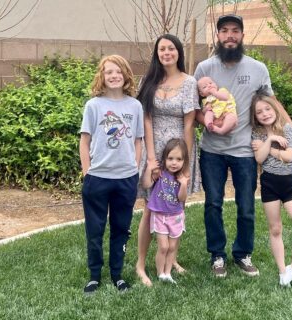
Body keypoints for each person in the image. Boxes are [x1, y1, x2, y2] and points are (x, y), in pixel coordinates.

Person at [194, 14, 292, 278]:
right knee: (213, 203)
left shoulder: (258, 68)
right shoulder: (203, 68)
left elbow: (273, 104)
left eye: (235, 31)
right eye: (224, 31)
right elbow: (195, 109)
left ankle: (243, 254)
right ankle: (217, 255)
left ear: (242, 35)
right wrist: (209, 122)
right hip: (212, 151)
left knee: (246, 204)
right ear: (217, 36)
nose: (230, 35)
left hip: (245, 150)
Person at [136, 34, 201, 286]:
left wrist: (184, 162)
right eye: (161, 49)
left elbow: (189, 124)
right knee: (149, 209)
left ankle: (171, 258)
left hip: (178, 153)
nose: (166, 53)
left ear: (178, 52)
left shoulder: (189, 82)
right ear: (157, 53)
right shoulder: (149, 80)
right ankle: (140, 265)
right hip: (154, 151)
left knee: (176, 207)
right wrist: (151, 158)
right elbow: (147, 119)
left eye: (171, 48)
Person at [79, 55, 144, 294]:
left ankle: (117, 274)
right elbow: (84, 142)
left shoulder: (135, 106)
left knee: (120, 229)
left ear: (126, 75)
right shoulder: (93, 105)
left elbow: (138, 141)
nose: (114, 76)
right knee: (95, 230)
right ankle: (95, 275)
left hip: (126, 179)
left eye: (118, 71)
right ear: (102, 76)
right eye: (109, 72)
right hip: (97, 178)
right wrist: (87, 173)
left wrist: (134, 169)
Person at [250, 94, 292, 287]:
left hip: (289, 185)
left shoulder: (286, 128)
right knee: (275, 228)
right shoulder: (257, 133)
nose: (264, 114)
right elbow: (259, 159)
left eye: (267, 109)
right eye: (259, 112)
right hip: (269, 184)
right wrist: (269, 140)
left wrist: (269, 147)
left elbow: (288, 156)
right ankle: (282, 272)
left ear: (275, 109)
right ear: (255, 116)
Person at [142, 138, 189, 284]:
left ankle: (168, 273)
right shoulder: (161, 173)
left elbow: (181, 198)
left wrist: (183, 185)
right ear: (165, 159)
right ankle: (160, 273)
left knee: (172, 246)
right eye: (170, 158)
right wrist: (149, 169)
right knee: (163, 246)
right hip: (160, 215)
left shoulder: (182, 177)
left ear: (184, 161)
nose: (174, 163)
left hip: (176, 217)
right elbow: (146, 184)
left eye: (178, 159)